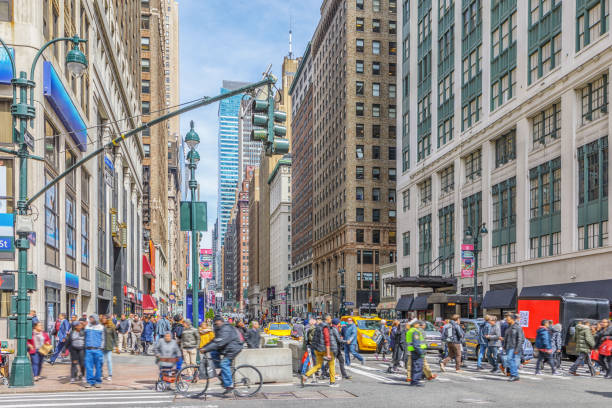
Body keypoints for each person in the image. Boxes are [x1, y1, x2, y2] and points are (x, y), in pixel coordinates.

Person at [200, 316, 245, 396]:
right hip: (227, 347)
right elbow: (214, 340)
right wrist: (205, 347)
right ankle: (222, 375)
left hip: (233, 348)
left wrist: (205, 349)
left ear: (221, 321)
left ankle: (229, 385)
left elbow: (219, 342)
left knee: (224, 364)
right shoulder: (219, 328)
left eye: (217, 322)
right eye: (215, 323)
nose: (216, 324)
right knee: (214, 355)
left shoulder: (225, 329)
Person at [302, 314, 338, 388]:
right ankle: (332, 382)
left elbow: (314, 338)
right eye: (330, 319)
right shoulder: (326, 327)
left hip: (317, 349)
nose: (331, 320)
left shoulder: (317, 326)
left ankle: (306, 375)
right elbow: (327, 340)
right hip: (325, 349)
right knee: (331, 364)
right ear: (327, 319)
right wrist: (328, 353)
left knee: (318, 365)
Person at [84, 314, 105, 388]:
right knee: (89, 366)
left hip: (97, 350)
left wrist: (101, 349)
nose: (90, 320)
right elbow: (85, 337)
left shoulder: (101, 327)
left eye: (92, 318)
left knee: (98, 367)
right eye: (90, 319)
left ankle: (97, 381)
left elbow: (103, 339)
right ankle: (89, 381)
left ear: (96, 319)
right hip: (88, 350)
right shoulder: (87, 327)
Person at [503, 313, 524, 382]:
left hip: (514, 346)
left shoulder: (518, 327)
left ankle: (514, 375)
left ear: (512, 319)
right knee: (511, 360)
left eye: (508, 319)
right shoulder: (508, 327)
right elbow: (506, 337)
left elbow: (520, 338)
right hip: (509, 346)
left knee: (510, 359)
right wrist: (504, 346)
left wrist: (517, 348)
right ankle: (514, 375)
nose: (506, 320)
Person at [406, 320, 426, 386]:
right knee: (417, 366)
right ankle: (415, 381)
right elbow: (416, 344)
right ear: (414, 325)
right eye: (417, 324)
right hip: (417, 351)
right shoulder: (415, 332)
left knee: (414, 366)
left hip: (412, 351)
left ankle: (414, 380)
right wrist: (421, 352)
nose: (418, 325)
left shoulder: (410, 331)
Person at [101, 315, 117, 381]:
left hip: (109, 346)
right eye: (102, 318)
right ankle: (101, 374)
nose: (103, 319)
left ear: (107, 319)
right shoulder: (100, 326)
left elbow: (115, 337)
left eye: (104, 318)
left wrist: (116, 346)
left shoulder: (111, 327)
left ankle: (110, 374)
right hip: (102, 347)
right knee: (101, 361)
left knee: (109, 361)